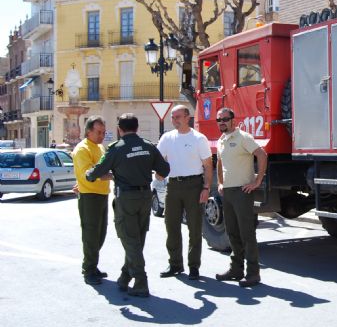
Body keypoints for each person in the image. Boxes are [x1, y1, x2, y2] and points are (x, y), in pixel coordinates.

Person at [86, 113, 170, 297]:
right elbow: (164, 169)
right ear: (137, 128)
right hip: (145, 197)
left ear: (119, 129)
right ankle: (125, 276)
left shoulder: (116, 148)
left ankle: (141, 281)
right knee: (137, 239)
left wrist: (89, 173)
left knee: (129, 239)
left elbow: (97, 172)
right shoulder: (148, 146)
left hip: (126, 198)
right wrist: (154, 171)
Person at [157, 105, 213, 281]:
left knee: (194, 228)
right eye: (173, 117)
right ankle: (175, 264)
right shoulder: (167, 138)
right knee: (171, 226)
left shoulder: (199, 138)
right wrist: (159, 172)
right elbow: (159, 160)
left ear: (188, 117)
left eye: (178, 116)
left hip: (194, 185)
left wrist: (206, 188)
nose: (175, 120)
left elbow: (208, 165)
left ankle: (193, 266)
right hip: (173, 186)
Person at [214, 107, 267, 287]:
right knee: (232, 233)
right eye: (219, 120)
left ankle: (253, 274)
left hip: (242, 192)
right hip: (227, 192)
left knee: (247, 233)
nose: (222, 122)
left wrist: (257, 180)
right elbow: (220, 163)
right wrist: (220, 183)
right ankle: (236, 270)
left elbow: (261, 154)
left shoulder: (243, 137)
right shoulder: (221, 141)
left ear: (233, 120)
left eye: (225, 119)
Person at [71, 116, 110, 286]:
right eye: (99, 132)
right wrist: (111, 176)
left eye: (103, 132)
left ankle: (93, 266)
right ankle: (88, 270)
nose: (102, 135)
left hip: (102, 194)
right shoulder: (82, 149)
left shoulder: (100, 147)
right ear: (89, 131)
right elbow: (88, 172)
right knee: (91, 234)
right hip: (89, 196)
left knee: (100, 233)